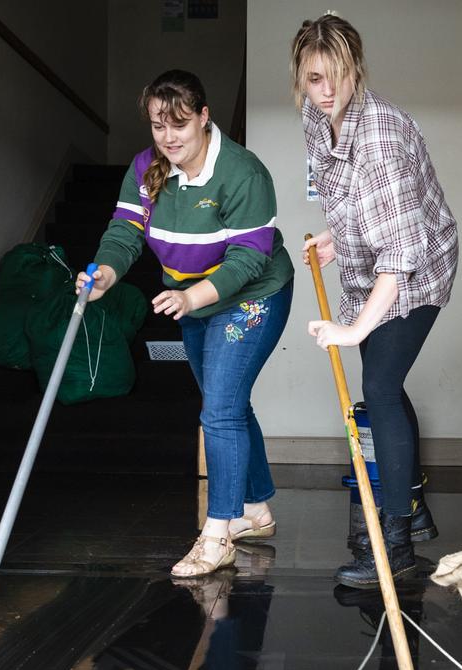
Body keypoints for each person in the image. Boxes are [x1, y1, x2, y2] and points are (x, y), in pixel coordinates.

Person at [77, 69, 293, 577]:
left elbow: (247, 261)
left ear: (204, 117)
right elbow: (124, 232)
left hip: (251, 296)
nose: (169, 138)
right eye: (158, 126)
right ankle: (255, 510)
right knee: (226, 402)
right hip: (192, 298)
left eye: (179, 124)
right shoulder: (146, 169)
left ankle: (217, 534)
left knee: (218, 409)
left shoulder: (243, 173)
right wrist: (105, 271)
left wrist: (189, 296)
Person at [292, 15, 459, 589]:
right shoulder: (317, 120)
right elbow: (357, 206)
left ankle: (395, 546)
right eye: (315, 78)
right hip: (374, 263)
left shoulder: (384, 133)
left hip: (418, 266)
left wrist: (354, 329)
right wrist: (333, 239)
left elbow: (401, 251)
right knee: (385, 387)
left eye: (337, 76)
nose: (328, 90)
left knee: (379, 388)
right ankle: (409, 510)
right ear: (302, 79)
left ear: (356, 69)